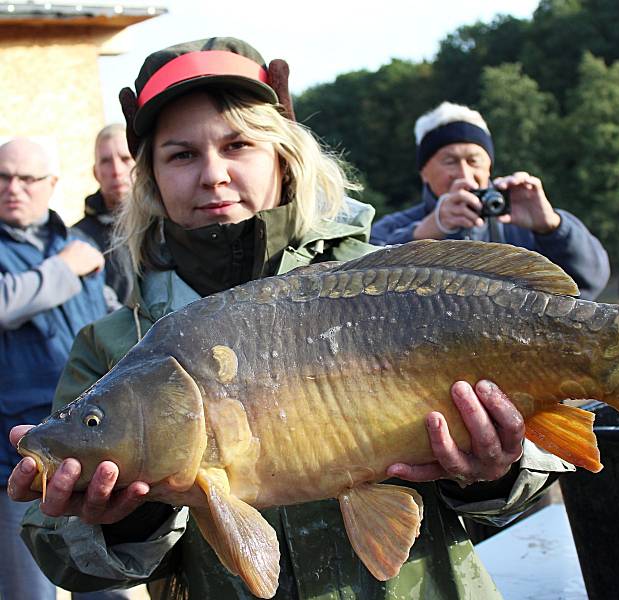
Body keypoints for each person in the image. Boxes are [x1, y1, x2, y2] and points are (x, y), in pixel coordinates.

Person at [6, 38, 573, 599]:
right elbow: (57, 550)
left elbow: (527, 488)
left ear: (284, 155)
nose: (214, 174)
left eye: (238, 145)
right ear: (149, 177)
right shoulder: (112, 346)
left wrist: (496, 470)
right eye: (181, 154)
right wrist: (126, 519)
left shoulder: (384, 286)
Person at [0, 137, 108, 600]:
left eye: (27, 179)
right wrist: (65, 270)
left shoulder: (77, 243)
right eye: (3, 177)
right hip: (16, 457)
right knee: (30, 593)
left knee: (105, 583)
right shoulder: (73, 256)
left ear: (52, 185)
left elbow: (106, 329)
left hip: (90, 450)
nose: (13, 188)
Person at [370, 101, 610, 300]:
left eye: (474, 161)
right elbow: (355, 282)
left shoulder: (523, 223)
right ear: (424, 172)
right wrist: (424, 233)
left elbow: (591, 281)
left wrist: (552, 228)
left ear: (490, 167)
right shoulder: (397, 226)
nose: (464, 174)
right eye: (450, 161)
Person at [74, 124, 135, 307]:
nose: (116, 170)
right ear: (96, 173)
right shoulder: (78, 240)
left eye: (125, 158)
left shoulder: (170, 223)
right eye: (106, 161)